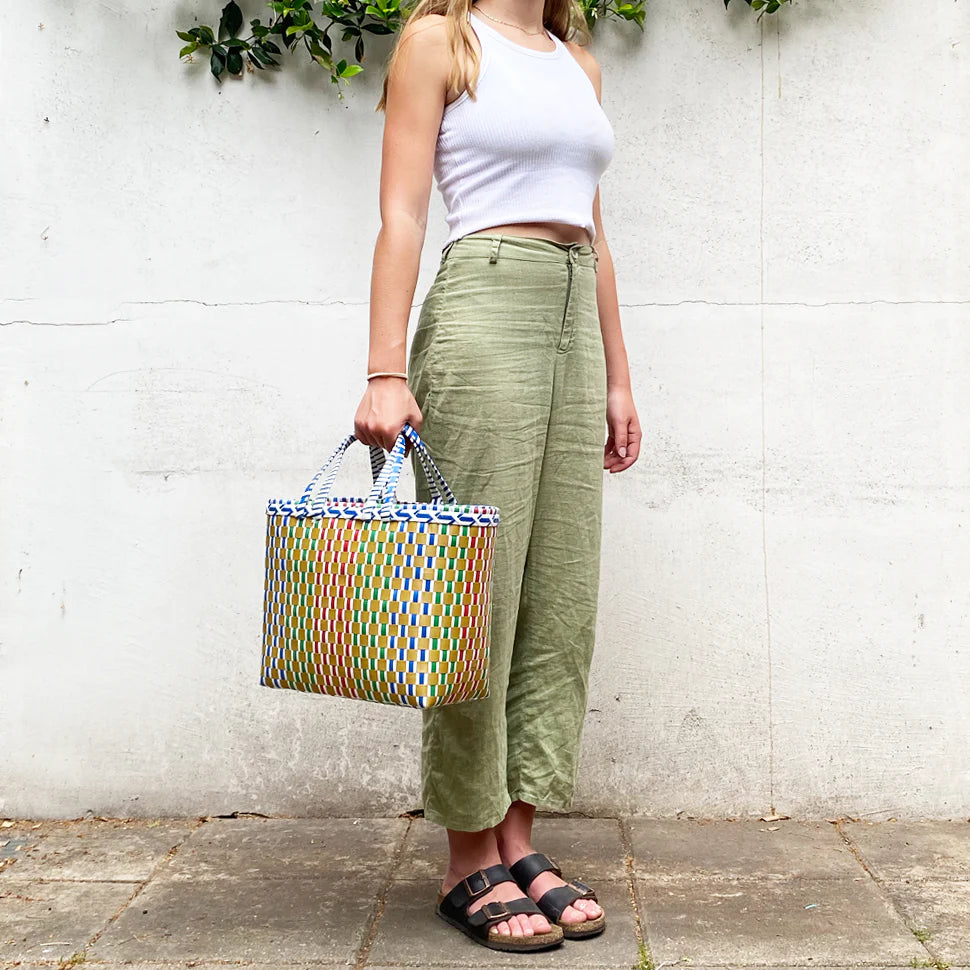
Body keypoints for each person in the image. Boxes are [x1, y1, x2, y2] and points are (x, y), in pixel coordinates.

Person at [354, 0, 641, 954]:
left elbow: (590, 229)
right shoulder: (444, 41)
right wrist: (385, 370)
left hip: (569, 315)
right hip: (484, 302)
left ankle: (519, 838)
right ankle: (465, 852)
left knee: (559, 594)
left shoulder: (576, 61)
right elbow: (402, 209)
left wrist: (619, 376)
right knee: (475, 587)